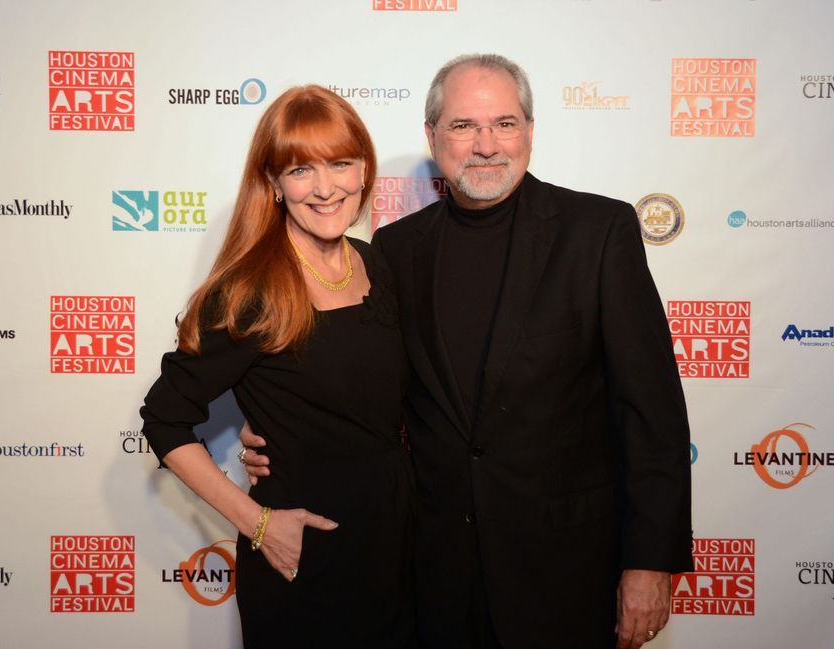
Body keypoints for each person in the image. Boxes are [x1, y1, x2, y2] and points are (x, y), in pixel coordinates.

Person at [243, 54, 692, 649]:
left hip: (564, 570)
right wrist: (284, 431)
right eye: (462, 126)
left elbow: (652, 411)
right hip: (433, 572)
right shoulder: (395, 250)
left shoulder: (598, 231)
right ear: (432, 136)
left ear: (530, 130)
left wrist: (649, 563)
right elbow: (370, 382)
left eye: (504, 123)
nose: (485, 145)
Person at [140, 85, 414, 649]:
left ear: (364, 170)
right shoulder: (250, 292)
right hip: (303, 561)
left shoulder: (375, 264)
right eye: (300, 170)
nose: (324, 187)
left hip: (396, 547)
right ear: (272, 182)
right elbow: (164, 418)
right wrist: (259, 524)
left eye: (341, 163)